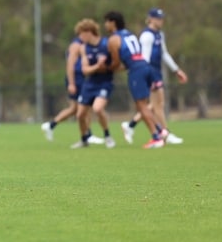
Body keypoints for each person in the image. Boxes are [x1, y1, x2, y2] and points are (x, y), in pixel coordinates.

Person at [121, 8, 187, 145]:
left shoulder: (159, 35)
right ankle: (165, 133)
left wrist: (176, 70)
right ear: (150, 19)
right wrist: (147, 75)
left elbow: (164, 53)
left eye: (161, 18)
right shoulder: (147, 36)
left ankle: (131, 125)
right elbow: (143, 58)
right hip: (149, 72)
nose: (160, 21)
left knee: (156, 104)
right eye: (158, 18)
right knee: (157, 105)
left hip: (156, 72)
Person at [103, 11, 165, 148]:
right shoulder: (129, 34)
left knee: (141, 106)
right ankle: (161, 130)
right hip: (145, 66)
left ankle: (156, 137)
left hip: (136, 71)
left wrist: (105, 68)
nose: (105, 25)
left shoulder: (113, 39)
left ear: (112, 22)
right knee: (145, 105)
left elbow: (115, 62)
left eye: (106, 22)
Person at [41, 33, 105, 145]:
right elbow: (70, 65)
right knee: (85, 107)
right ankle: (88, 134)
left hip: (81, 79)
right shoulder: (76, 45)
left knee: (75, 109)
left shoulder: (84, 45)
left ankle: (51, 125)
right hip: (77, 80)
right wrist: (71, 83)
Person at [70, 18, 116, 149]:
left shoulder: (106, 44)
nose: (80, 37)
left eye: (81, 34)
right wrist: (97, 65)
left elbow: (116, 62)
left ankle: (107, 136)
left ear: (89, 32)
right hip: (89, 84)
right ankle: (84, 139)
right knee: (80, 115)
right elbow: (85, 70)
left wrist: (107, 66)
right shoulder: (83, 48)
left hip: (105, 83)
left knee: (97, 108)